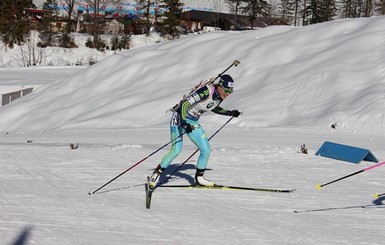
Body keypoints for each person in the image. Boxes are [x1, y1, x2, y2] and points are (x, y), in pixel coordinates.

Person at [149, 74, 241, 188]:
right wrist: (183, 123)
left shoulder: (219, 96)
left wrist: (230, 113)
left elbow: (212, 107)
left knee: (206, 150)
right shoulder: (206, 92)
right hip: (179, 118)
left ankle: (199, 178)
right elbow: (185, 104)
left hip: (192, 122)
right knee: (176, 150)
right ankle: (156, 175)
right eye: (226, 90)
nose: (227, 94)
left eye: (230, 92)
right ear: (219, 86)